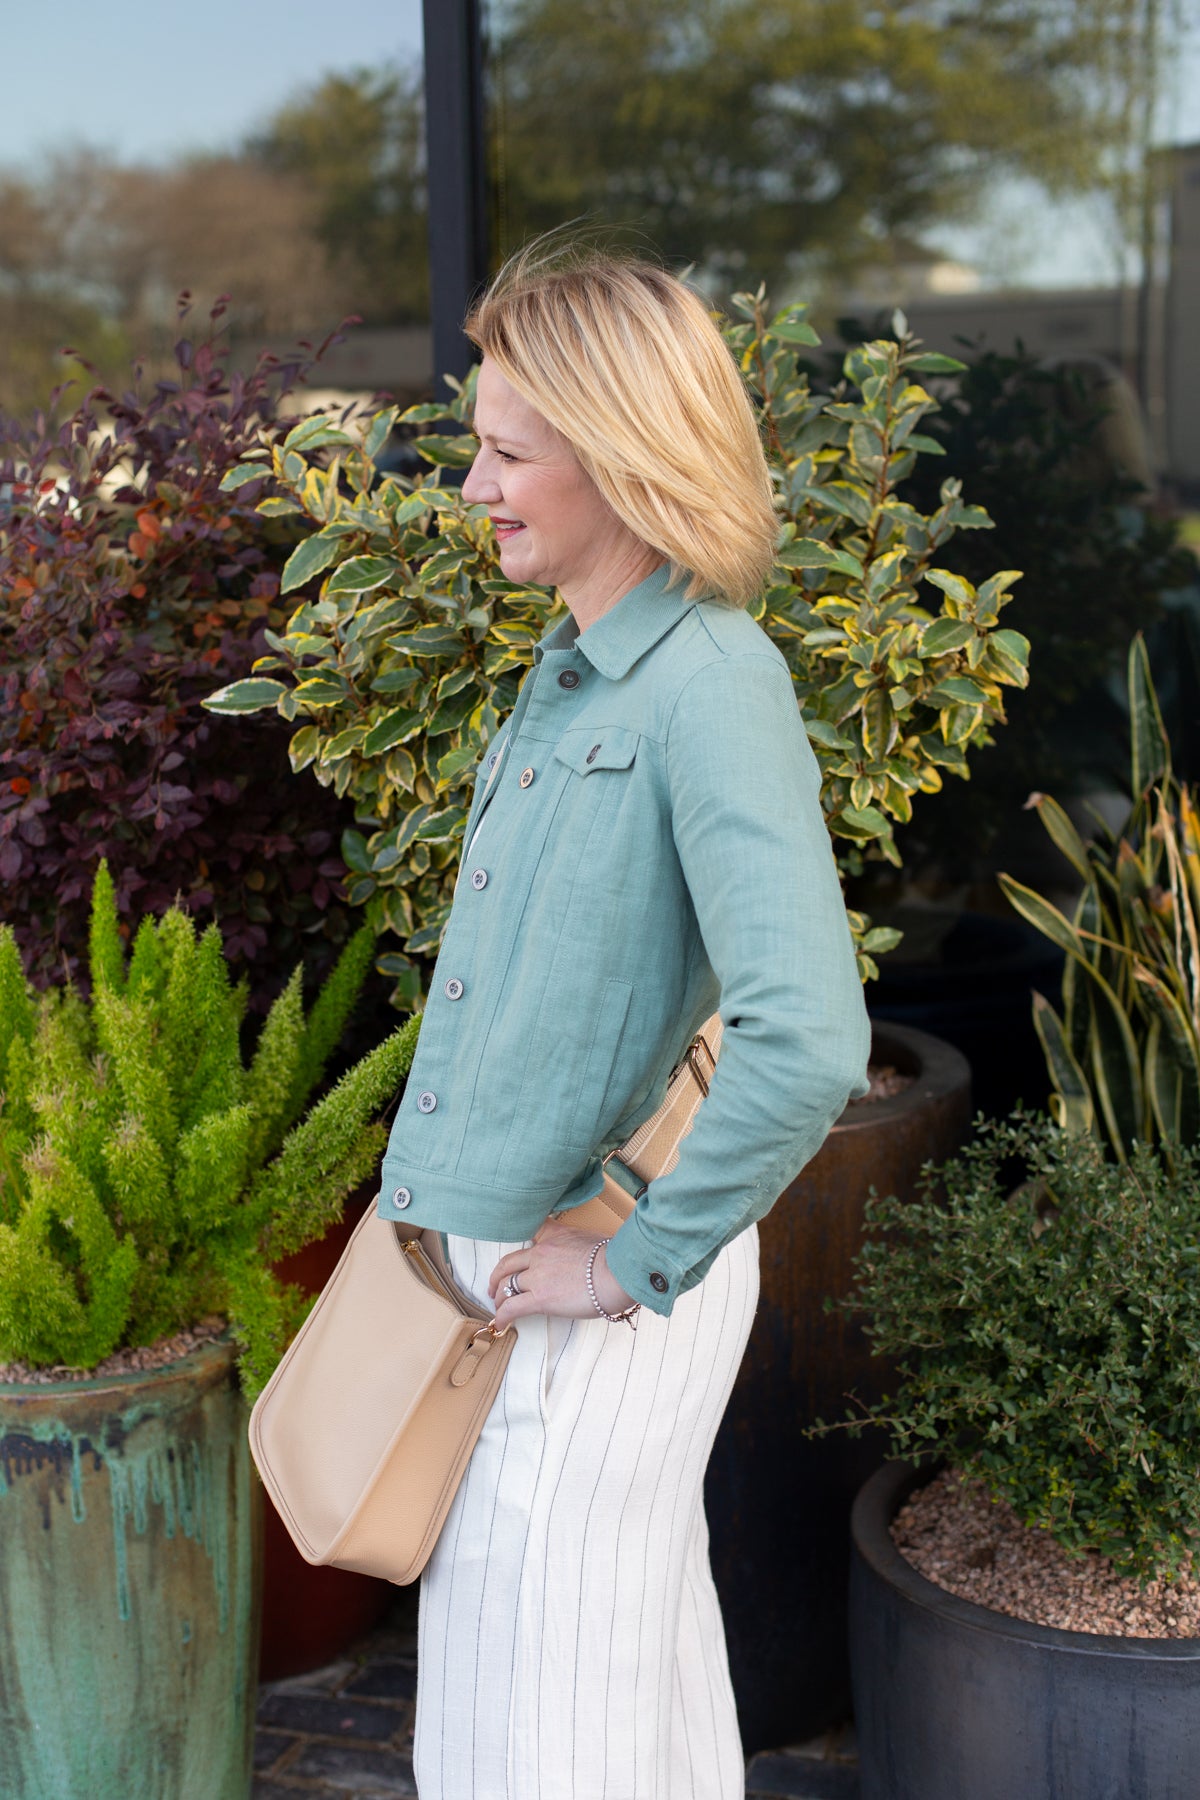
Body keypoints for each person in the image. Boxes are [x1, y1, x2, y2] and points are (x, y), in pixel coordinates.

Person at [375, 240, 870, 1800]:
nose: (474, 487)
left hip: (586, 1291)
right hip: (525, 1281)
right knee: (621, 1706)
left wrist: (634, 1258)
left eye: (511, 453)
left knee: (536, 1740)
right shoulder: (582, 671)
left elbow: (810, 1034)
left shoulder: (706, 684)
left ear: (622, 455)